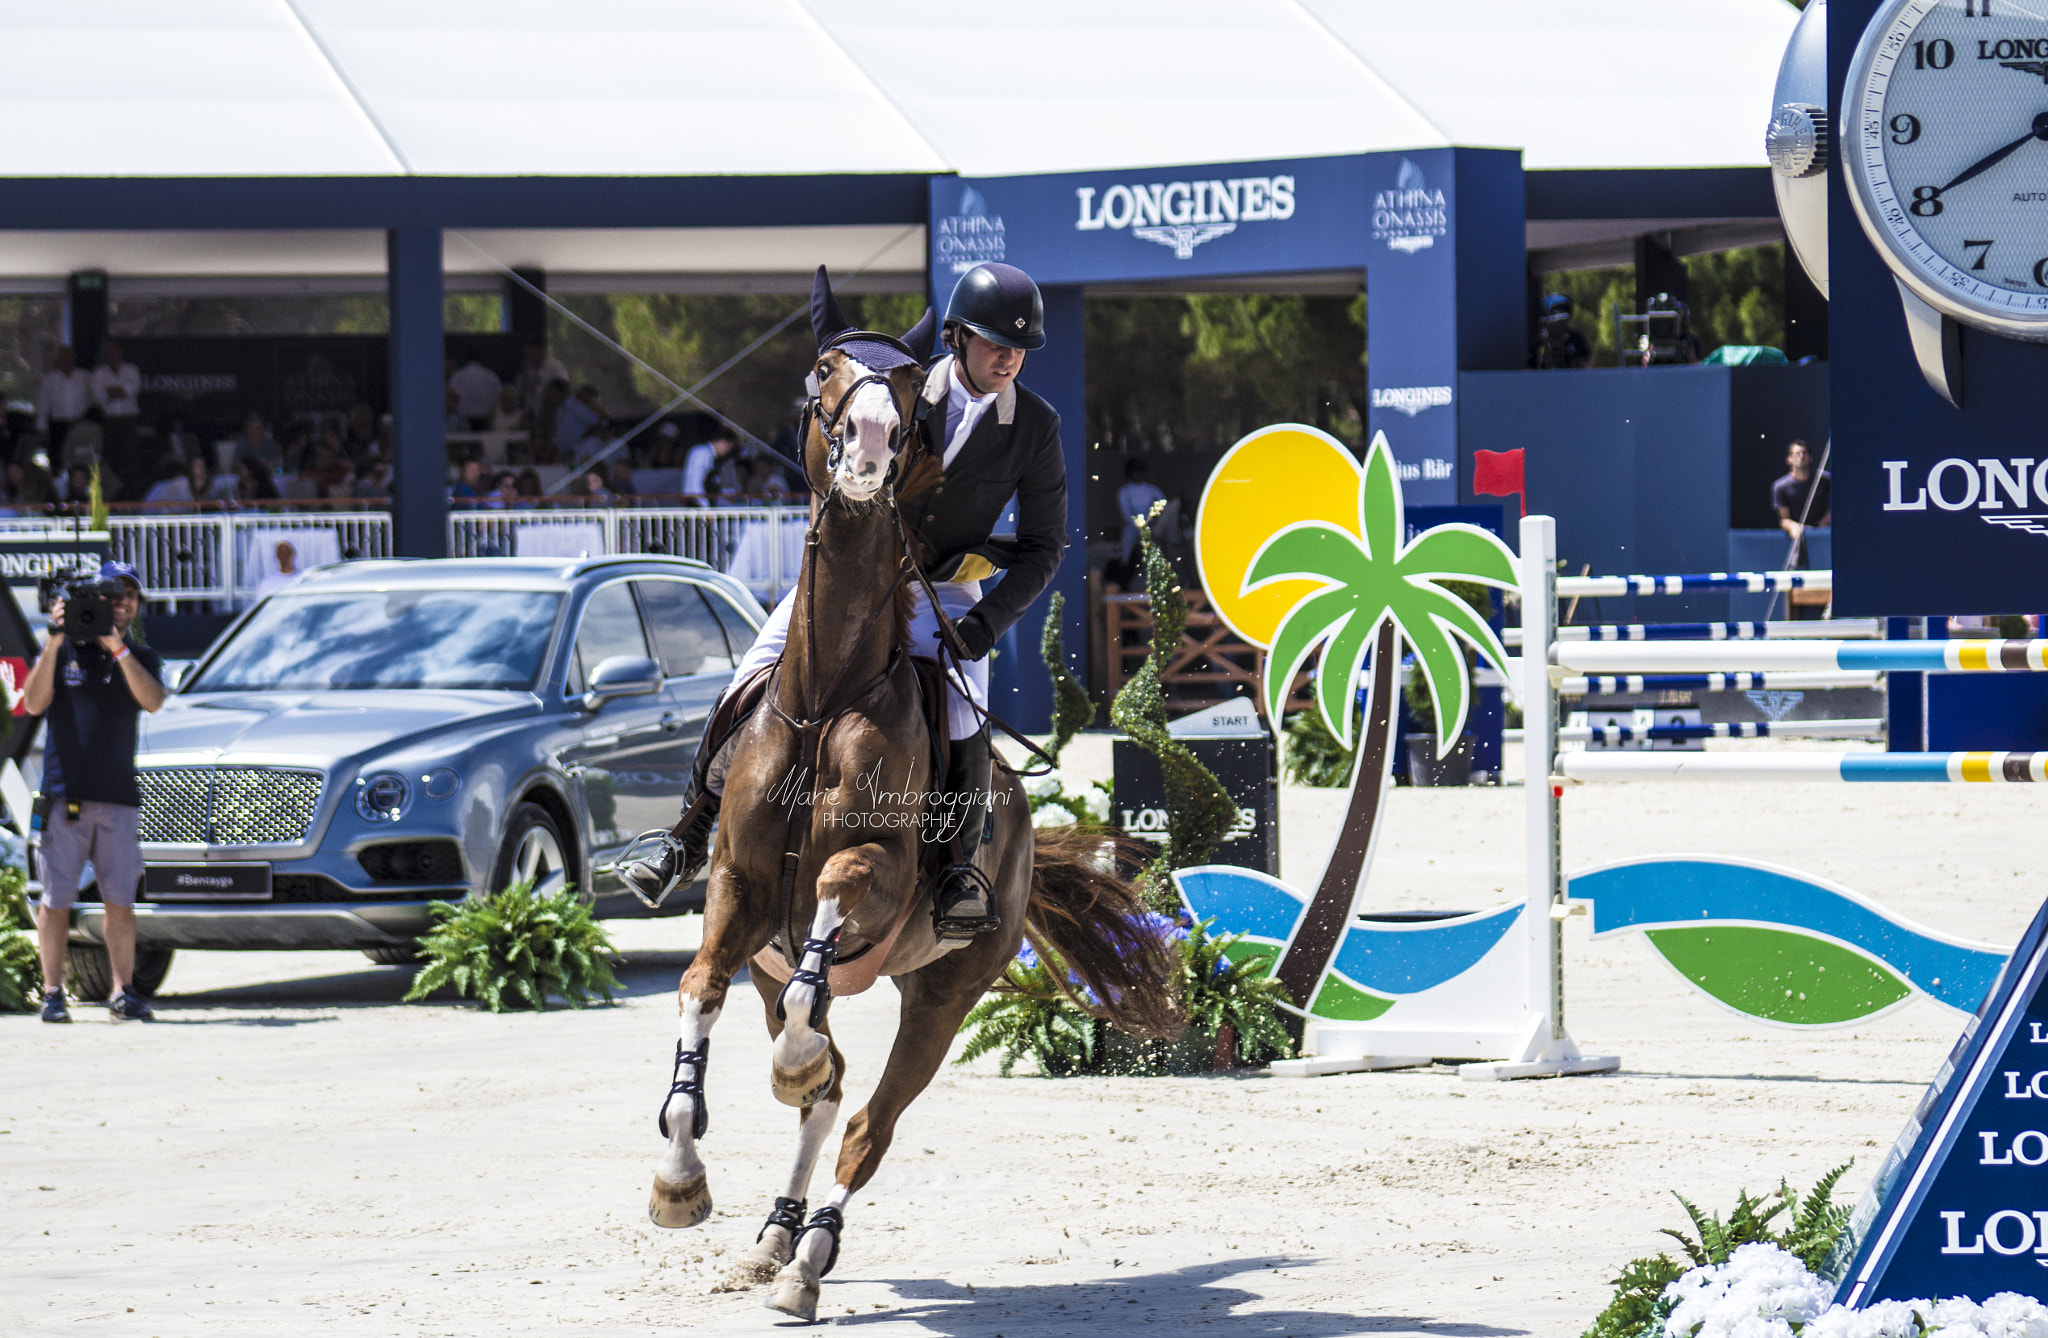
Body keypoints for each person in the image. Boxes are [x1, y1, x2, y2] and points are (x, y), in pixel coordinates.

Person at [625, 261, 1067, 940]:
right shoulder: (898, 390)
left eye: (1018, 348)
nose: (1008, 357)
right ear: (954, 337)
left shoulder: (1034, 425)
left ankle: (955, 869)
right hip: (846, 579)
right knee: (750, 676)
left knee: (961, 710)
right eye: (992, 341)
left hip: (941, 591)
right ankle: (686, 833)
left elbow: (1043, 547)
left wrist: (982, 625)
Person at [23, 560, 167, 1023]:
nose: (121, 601)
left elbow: (154, 701)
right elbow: (33, 702)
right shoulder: (61, 651)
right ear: (94, 598)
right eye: (112, 593)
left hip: (118, 798)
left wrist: (118, 649)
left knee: (120, 901)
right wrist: (53, 638)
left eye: (130, 595)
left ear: (136, 605)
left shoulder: (140, 657)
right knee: (56, 899)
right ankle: (52, 993)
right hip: (65, 798)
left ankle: (121, 992)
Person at [1773, 439, 1832, 575]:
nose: (1800, 457)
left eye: (1804, 454)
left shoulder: (1824, 480)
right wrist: (1794, 527)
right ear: (1789, 459)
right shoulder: (1781, 487)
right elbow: (1784, 519)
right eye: (1796, 453)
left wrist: (1827, 519)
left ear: (1810, 458)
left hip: (1822, 539)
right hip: (1798, 542)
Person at [91, 338, 144, 490]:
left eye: (115, 350)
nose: (112, 354)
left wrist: (113, 391)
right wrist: (120, 391)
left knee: (131, 460)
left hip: (129, 420)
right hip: (109, 422)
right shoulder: (99, 373)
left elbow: (132, 389)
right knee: (110, 459)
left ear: (120, 352)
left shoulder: (131, 370)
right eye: (109, 350)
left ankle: (133, 496)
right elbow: (99, 396)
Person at [35, 345, 92, 454]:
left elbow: (93, 401)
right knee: (58, 458)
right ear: (59, 360)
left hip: (80, 424)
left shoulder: (85, 377)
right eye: (63, 358)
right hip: (58, 426)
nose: (66, 361)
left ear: (74, 358)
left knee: (81, 458)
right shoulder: (49, 380)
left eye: (69, 357)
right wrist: (42, 427)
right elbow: (43, 406)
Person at [1115, 458, 1168, 565]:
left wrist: (1152, 520)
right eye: (1135, 472)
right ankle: (1125, 566)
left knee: (1164, 544)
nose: (1138, 474)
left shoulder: (1152, 489)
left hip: (1151, 527)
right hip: (1133, 528)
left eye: (1140, 471)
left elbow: (1164, 505)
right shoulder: (1124, 491)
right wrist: (1139, 525)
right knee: (1127, 546)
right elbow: (1126, 513)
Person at [682, 427, 741, 503]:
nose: (728, 451)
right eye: (728, 447)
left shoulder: (712, 457)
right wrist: (705, 507)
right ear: (722, 442)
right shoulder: (702, 453)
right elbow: (696, 482)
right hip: (697, 504)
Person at [517, 340, 570, 418]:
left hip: (552, 415)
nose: (529, 357)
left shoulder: (555, 367)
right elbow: (520, 389)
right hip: (531, 413)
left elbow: (562, 391)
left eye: (531, 354)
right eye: (527, 354)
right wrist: (525, 374)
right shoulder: (529, 367)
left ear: (540, 351)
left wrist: (535, 389)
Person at [448, 354, 502, 430]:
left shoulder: (457, 376)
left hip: (479, 418)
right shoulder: (490, 376)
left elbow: (451, 395)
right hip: (471, 419)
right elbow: (497, 398)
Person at [556, 385, 606, 462]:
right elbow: (598, 420)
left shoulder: (580, 408)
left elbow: (601, 423)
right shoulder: (573, 405)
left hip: (574, 450)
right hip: (562, 448)